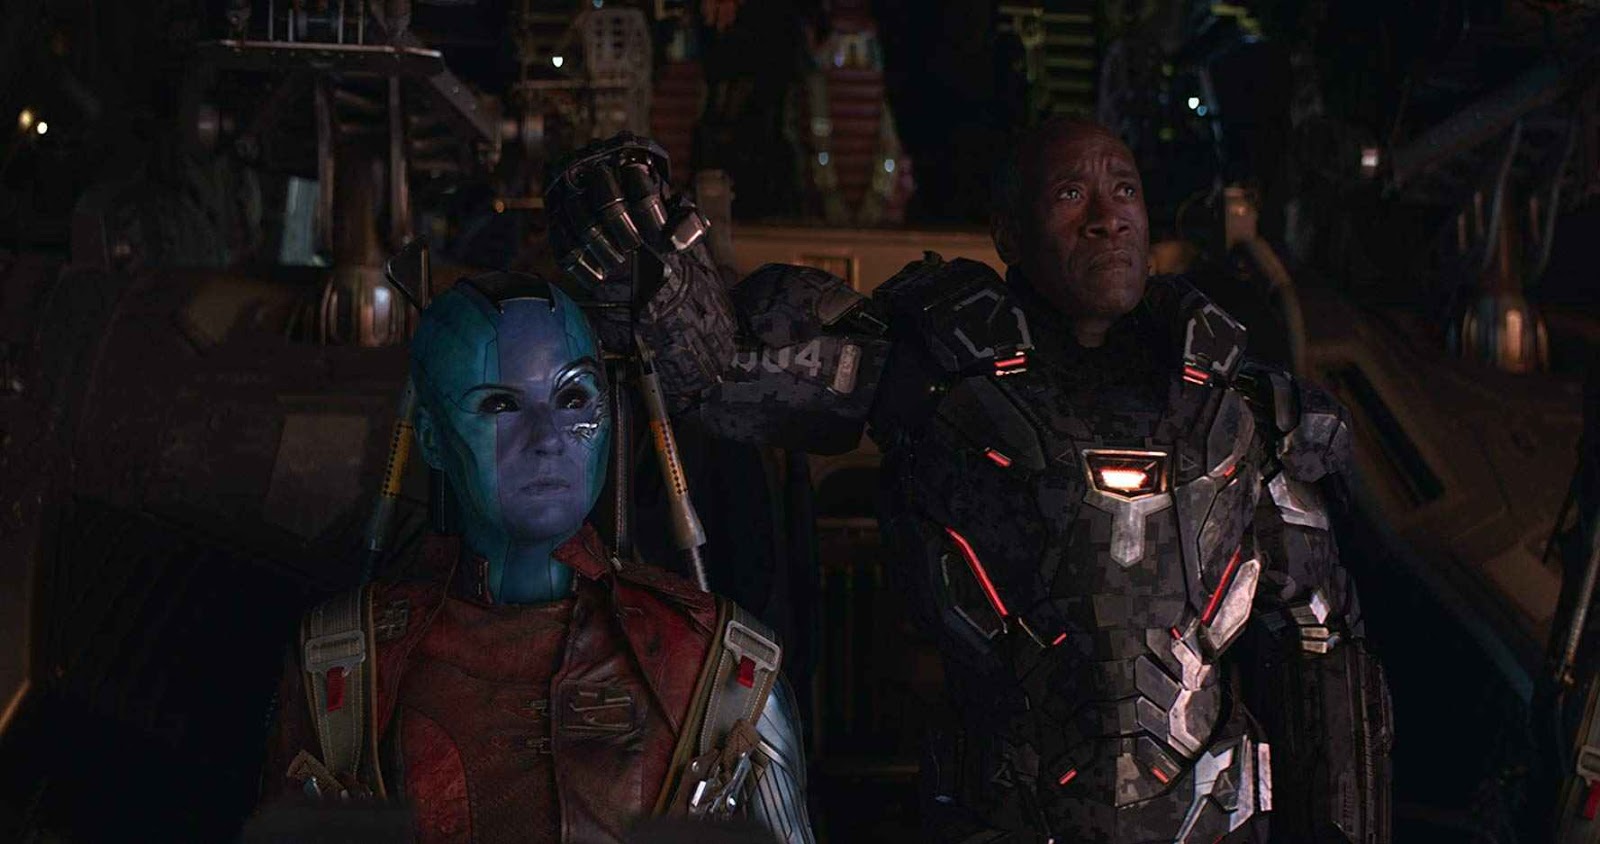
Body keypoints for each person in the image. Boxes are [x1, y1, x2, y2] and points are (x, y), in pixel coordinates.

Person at [548, 121, 1392, 843]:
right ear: (1010, 234)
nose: (1107, 217)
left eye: (1125, 190)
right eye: (1072, 195)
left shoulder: (1234, 409)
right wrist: (648, 252)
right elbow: (716, 371)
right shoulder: (931, 371)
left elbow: (1322, 644)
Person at [257, 271, 814, 844]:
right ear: (431, 437)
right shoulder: (342, 670)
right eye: (501, 404)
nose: (548, 437)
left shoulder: (720, 668)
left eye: (573, 398)